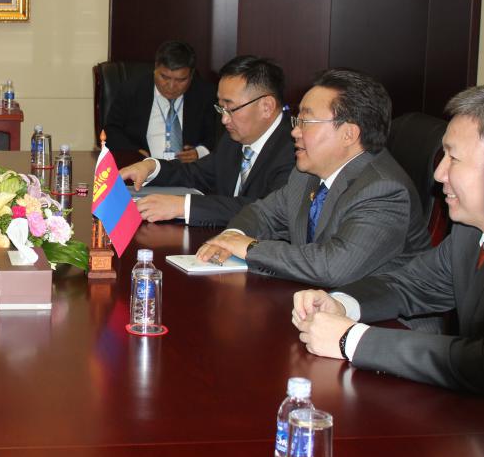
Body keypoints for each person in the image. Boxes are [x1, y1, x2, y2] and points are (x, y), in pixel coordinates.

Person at [293, 85, 484, 396]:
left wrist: (352, 340)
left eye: (453, 158)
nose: (439, 174)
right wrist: (341, 304)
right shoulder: (469, 233)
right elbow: (411, 284)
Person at [195, 69, 431, 286]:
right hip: (315, 300)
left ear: (348, 134)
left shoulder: (383, 190)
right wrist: (232, 237)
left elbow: (333, 267)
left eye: (305, 122)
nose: (294, 131)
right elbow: (261, 213)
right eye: (297, 121)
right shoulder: (306, 174)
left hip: (374, 314)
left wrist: (250, 248)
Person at [120, 55, 295, 226]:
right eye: (221, 107)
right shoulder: (234, 139)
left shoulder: (295, 151)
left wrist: (183, 206)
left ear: (266, 107)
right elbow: (196, 174)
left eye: (231, 108)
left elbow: (267, 210)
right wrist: (151, 167)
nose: (224, 119)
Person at [103, 41, 219, 161]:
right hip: (143, 167)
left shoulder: (206, 95)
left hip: (189, 169)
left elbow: (217, 135)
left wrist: (200, 152)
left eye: (180, 80)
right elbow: (111, 130)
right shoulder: (132, 90)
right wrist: (134, 151)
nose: (171, 86)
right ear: (155, 68)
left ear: (191, 75)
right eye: (164, 77)